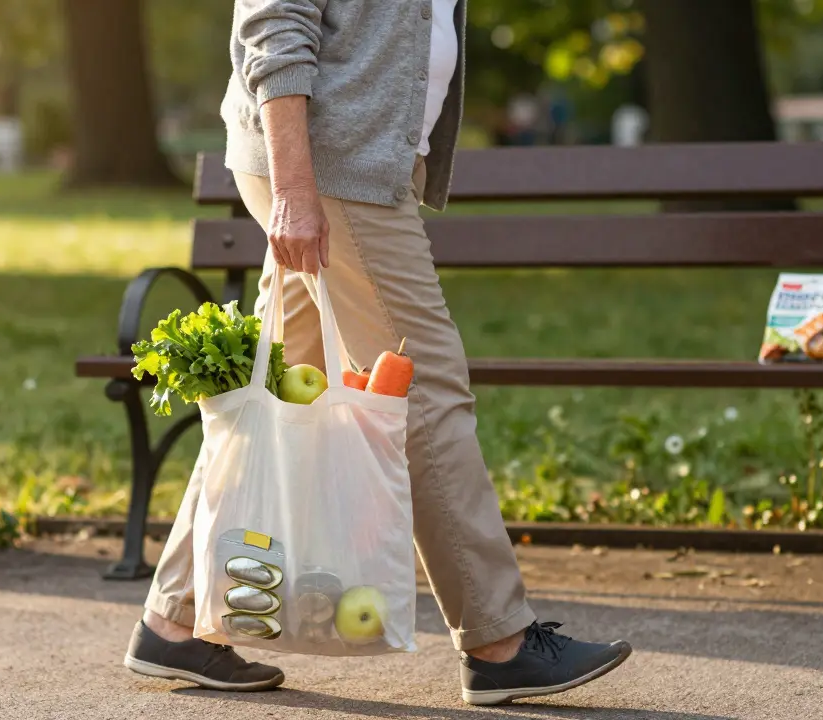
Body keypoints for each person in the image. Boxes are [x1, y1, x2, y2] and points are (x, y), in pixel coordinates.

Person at [123, 0, 632, 706]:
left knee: (273, 399)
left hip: (342, 168)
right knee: (424, 392)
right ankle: (499, 642)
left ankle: (173, 622)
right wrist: (296, 190)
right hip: (331, 174)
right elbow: (275, 22)